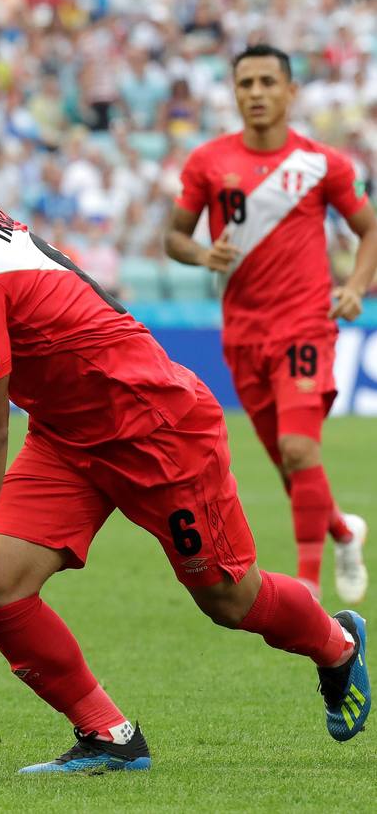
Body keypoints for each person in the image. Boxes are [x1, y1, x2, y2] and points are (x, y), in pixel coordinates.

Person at [0, 97, 369, 772]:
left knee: (229, 599)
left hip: (156, 431)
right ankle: (110, 737)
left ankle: (337, 646)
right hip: (70, 437)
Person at [166, 44, 375, 604]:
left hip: (306, 324)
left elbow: (368, 229)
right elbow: (175, 237)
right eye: (245, 84)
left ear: (290, 91)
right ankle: (342, 531)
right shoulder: (208, 161)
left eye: (266, 82)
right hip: (242, 333)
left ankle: (307, 587)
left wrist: (354, 287)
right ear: (234, 92)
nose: (255, 93)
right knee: (290, 462)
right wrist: (199, 255)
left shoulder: (322, 163)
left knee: (299, 449)